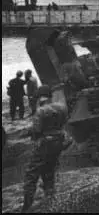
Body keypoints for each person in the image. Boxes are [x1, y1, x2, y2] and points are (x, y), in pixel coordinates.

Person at [21, 85, 72, 213]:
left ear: (40, 97)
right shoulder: (62, 107)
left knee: (31, 175)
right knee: (49, 172)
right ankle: (51, 201)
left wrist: (27, 132)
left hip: (44, 144)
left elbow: (37, 130)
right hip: (58, 143)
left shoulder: (41, 111)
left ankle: (27, 207)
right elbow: (64, 123)